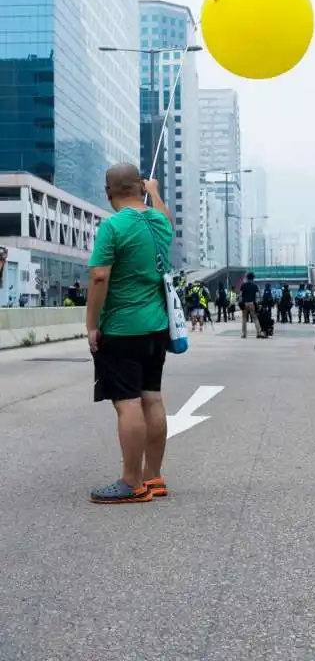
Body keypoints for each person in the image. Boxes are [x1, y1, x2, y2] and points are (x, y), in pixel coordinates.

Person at [86, 166, 172, 505]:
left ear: (108, 191)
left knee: (128, 404)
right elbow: (166, 219)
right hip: (157, 327)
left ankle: (131, 482)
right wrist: (154, 191)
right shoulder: (159, 222)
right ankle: (154, 477)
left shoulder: (112, 226)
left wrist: (92, 324)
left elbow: (99, 278)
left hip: (122, 327)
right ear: (140, 187)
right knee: (152, 398)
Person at [239, 272, 264, 339]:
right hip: (252, 303)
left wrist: (240, 302)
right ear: (253, 278)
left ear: (247, 278)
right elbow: (259, 295)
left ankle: (244, 334)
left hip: (245, 303)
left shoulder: (243, 285)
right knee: (255, 318)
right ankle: (259, 332)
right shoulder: (255, 286)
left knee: (244, 319)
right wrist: (259, 302)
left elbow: (240, 295)